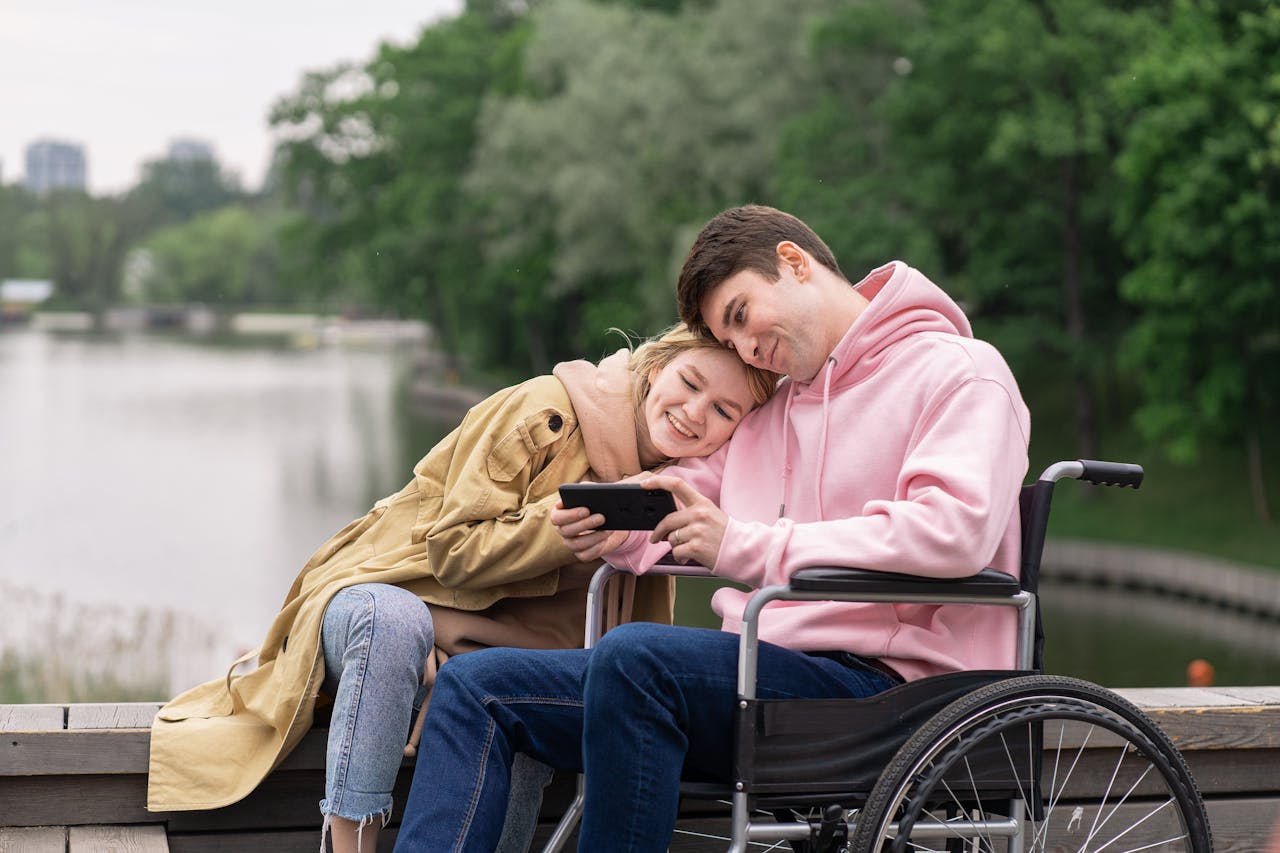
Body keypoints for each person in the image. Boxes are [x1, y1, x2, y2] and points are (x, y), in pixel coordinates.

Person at [392, 204, 1031, 852]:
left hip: (896, 694)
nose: (749, 349)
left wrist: (747, 546)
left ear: (793, 262)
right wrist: (607, 521)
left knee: (638, 658)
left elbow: (955, 529)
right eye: (730, 342)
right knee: (478, 686)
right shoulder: (771, 412)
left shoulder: (962, 372)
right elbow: (680, 496)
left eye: (741, 316)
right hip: (766, 681)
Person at [145, 323, 778, 853]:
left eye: (723, 410)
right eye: (689, 383)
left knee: (516, 691)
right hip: (389, 598)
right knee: (395, 627)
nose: (695, 413)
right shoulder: (544, 410)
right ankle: (347, 846)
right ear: (656, 366)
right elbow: (449, 551)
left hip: (491, 660)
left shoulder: (679, 492)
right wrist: (555, 529)